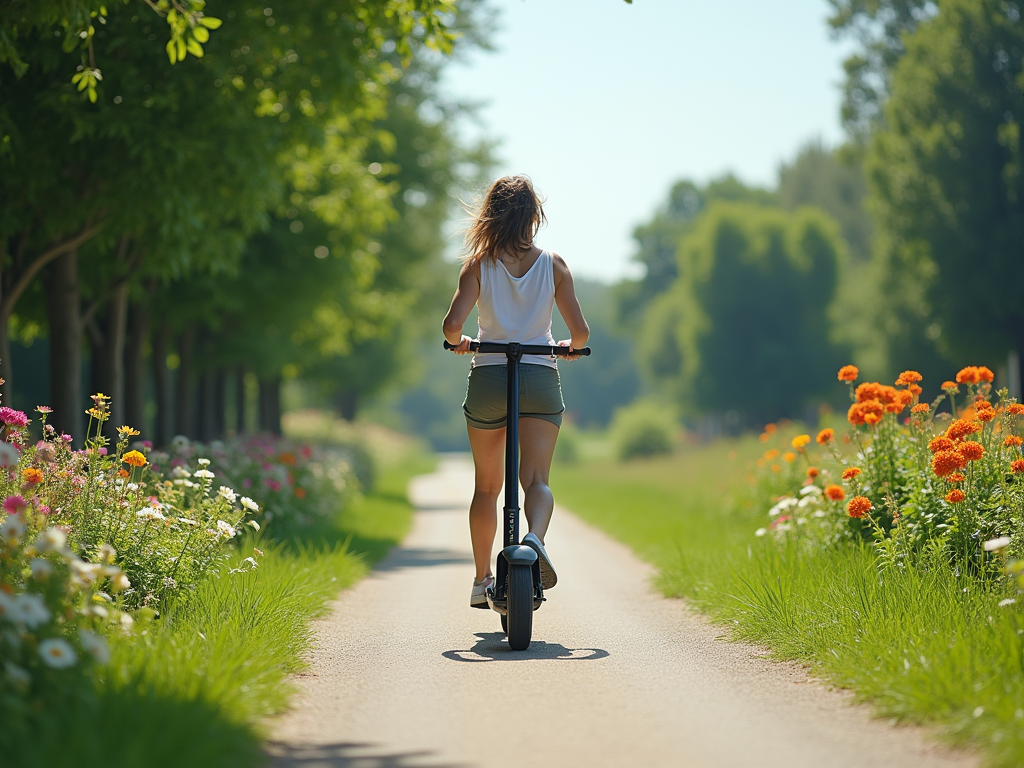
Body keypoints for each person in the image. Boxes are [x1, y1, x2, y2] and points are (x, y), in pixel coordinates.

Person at [442, 174, 589, 608]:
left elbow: (451, 328)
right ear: (533, 216)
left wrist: (463, 341)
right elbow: (579, 334)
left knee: (487, 487)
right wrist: (567, 348)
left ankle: (481, 578)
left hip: (489, 376)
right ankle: (534, 538)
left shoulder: (478, 264)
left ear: (492, 214)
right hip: (539, 375)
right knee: (537, 480)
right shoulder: (554, 265)